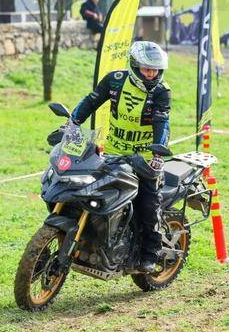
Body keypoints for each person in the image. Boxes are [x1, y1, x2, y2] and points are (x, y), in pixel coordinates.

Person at [69, 41, 171, 273]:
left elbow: (162, 122)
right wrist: (73, 122)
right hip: (114, 151)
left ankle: (150, 252)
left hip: (146, 157)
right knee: (86, 189)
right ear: (134, 66)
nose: (151, 74)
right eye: (147, 69)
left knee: (148, 203)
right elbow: (91, 101)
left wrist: (157, 154)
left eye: (155, 70)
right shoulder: (114, 80)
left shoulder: (162, 91)